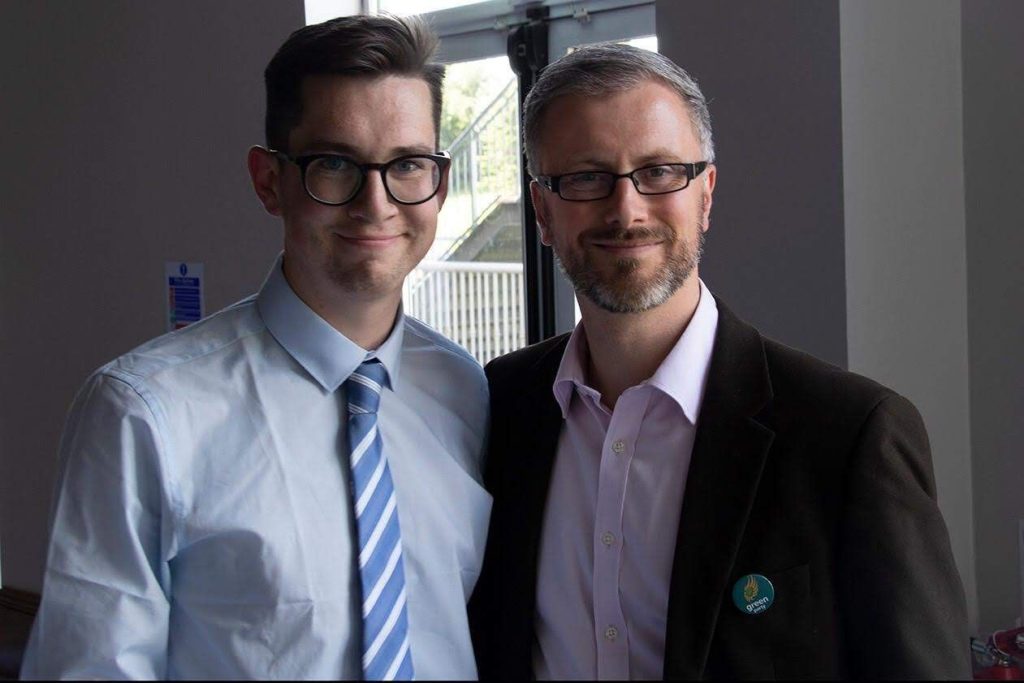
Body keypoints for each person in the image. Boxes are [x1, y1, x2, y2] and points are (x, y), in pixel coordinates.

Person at [469, 43, 970, 680]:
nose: (627, 210)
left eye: (659, 172)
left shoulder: (850, 434)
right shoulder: (499, 407)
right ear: (542, 210)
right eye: (587, 177)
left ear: (705, 193)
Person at [22, 14, 490, 680]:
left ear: (438, 183)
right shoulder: (143, 416)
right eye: (334, 164)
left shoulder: (462, 389)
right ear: (269, 180)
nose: (376, 203)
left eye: (408, 164)